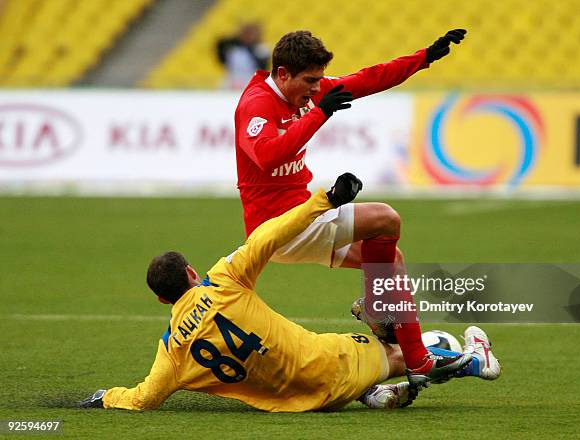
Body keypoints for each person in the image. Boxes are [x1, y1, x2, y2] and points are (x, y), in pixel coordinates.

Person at [77, 174, 499, 412]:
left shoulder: (172, 350)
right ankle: (471, 360)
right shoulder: (223, 278)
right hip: (328, 365)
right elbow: (271, 233)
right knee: (399, 351)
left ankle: (375, 390)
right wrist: (325, 200)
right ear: (191, 272)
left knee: (384, 356)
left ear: (162, 300)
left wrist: (104, 398)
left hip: (298, 403)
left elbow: (143, 398)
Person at [233, 29, 472, 379]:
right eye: (310, 81)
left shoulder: (309, 93)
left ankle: (410, 357)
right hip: (278, 226)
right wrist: (319, 115)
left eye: (319, 81)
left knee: (392, 261)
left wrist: (423, 58)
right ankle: (397, 333)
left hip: (302, 219)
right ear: (283, 75)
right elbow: (267, 156)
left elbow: (366, 80)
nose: (316, 89)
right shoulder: (256, 104)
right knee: (386, 219)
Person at [216, 23, 270, 90]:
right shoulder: (235, 50)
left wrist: (250, 48)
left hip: (250, 83)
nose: (248, 37)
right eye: (246, 34)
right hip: (232, 82)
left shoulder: (261, 48)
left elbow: (263, 67)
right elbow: (220, 47)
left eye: (250, 34)